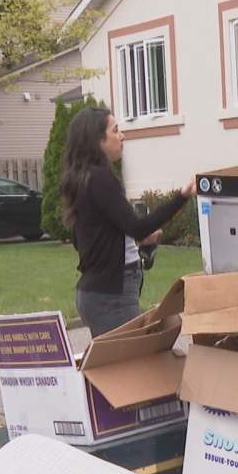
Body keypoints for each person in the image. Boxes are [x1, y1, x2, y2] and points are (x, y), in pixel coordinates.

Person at [61, 107, 196, 336]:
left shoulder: (82, 179)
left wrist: (134, 243)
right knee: (127, 366)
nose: (122, 136)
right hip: (111, 297)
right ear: (98, 140)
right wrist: (181, 197)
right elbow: (137, 227)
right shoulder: (101, 178)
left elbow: (87, 239)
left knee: (110, 368)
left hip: (94, 293)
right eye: (115, 130)